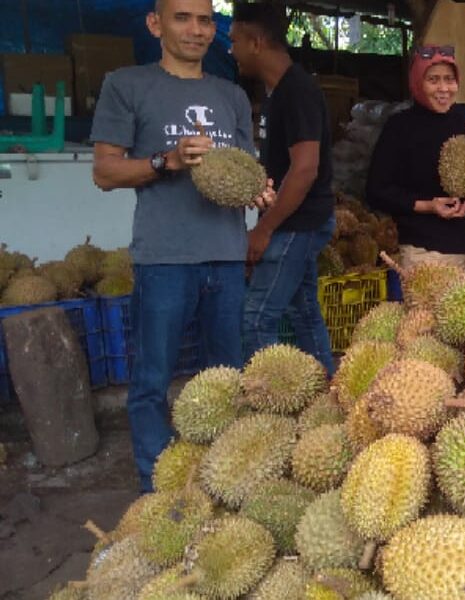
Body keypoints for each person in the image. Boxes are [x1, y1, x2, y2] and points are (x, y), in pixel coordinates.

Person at [90, 0, 273, 493]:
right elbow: (104, 171)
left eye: (205, 20)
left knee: (228, 377)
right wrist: (165, 161)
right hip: (164, 258)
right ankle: (157, 486)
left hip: (226, 256)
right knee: (152, 378)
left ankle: (226, 480)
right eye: (182, 18)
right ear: (156, 24)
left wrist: (259, 191)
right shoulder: (126, 85)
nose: (196, 29)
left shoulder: (231, 95)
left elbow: (243, 172)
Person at [229, 3, 336, 376]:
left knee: (257, 317)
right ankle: (326, 388)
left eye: (235, 41)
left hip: (296, 225)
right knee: (303, 311)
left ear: (256, 42)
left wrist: (264, 228)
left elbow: (305, 169)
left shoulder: (296, 91)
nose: (231, 50)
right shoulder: (278, 91)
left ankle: (267, 398)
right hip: (298, 221)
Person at [366, 44, 465, 274]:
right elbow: (377, 191)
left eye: (449, 79)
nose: (443, 88)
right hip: (427, 253)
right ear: (417, 82)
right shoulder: (400, 126)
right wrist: (428, 206)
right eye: (433, 80)